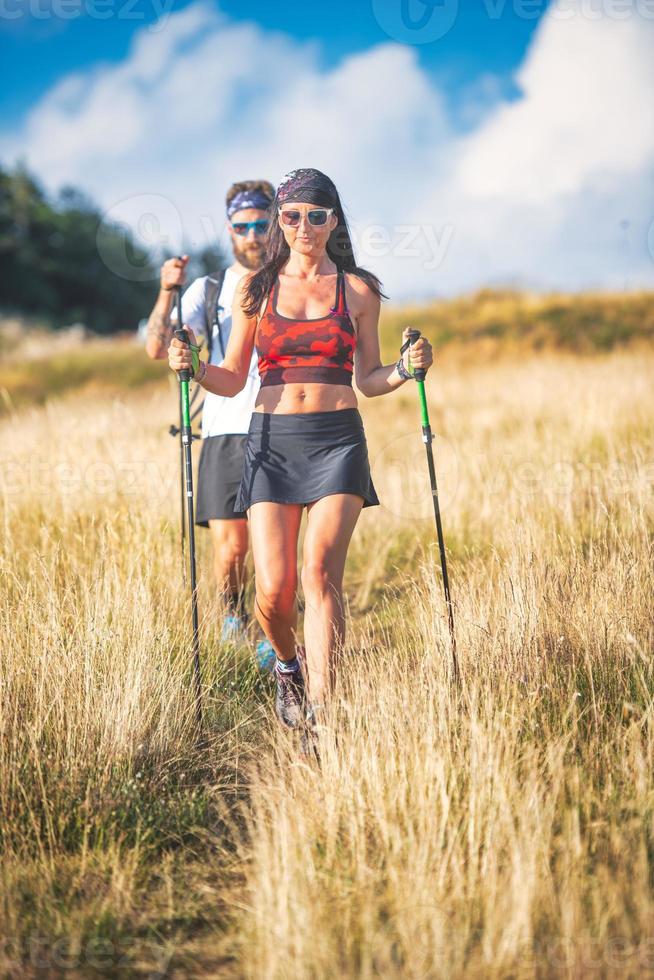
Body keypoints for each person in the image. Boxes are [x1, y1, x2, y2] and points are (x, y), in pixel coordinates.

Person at [168, 168, 433, 752]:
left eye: (317, 215)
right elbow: (232, 377)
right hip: (270, 443)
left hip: (338, 440)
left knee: (319, 575)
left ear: (334, 221)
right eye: (293, 216)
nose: (304, 226)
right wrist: (190, 367)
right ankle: (288, 666)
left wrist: (408, 369)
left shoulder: (358, 290)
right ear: (280, 223)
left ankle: (322, 713)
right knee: (274, 591)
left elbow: (369, 377)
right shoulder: (255, 291)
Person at [146, 179, 276, 665]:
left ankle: (273, 632)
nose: (253, 235)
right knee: (232, 547)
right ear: (230, 230)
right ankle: (230, 616)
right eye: (243, 226)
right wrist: (166, 292)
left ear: (275, 223)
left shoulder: (291, 280)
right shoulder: (211, 288)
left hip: (280, 425)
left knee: (271, 543)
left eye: (262, 224)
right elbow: (158, 348)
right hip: (224, 426)